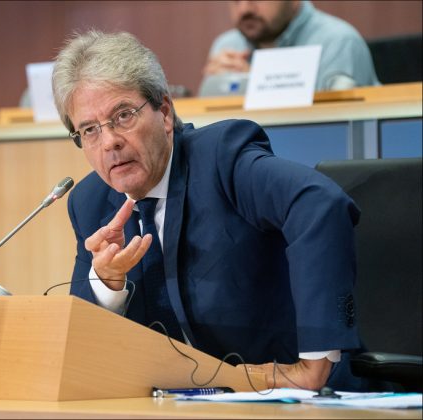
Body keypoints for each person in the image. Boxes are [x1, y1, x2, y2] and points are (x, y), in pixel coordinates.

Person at [52, 29, 369, 391]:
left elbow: (318, 203)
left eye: (123, 116)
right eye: (90, 130)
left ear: (164, 112)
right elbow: (83, 353)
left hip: (296, 397)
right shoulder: (90, 202)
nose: (109, 142)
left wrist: (313, 365)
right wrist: (107, 285)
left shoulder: (221, 159)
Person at [199, 0, 379, 96]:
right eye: (236, 0)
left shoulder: (338, 41)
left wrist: (253, 83)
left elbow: (337, 128)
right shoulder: (228, 45)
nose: (244, 9)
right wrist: (215, 88)